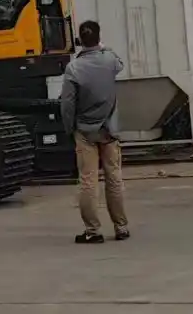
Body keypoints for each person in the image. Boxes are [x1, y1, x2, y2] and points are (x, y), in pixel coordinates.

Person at [59, 19, 130, 243]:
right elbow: (120, 64)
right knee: (114, 177)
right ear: (98, 38)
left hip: (85, 131)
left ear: (80, 41)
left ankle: (93, 231)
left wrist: (69, 128)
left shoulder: (73, 68)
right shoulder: (109, 60)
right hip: (109, 130)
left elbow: (67, 105)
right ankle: (121, 227)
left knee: (88, 181)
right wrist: (103, 47)